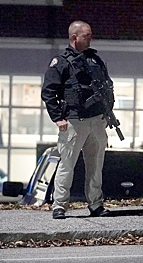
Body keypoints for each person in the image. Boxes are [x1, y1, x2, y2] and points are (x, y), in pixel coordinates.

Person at [41, 20, 114, 219]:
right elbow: (48, 92)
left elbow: (107, 86)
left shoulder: (95, 60)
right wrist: (58, 118)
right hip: (73, 121)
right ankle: (59, 205)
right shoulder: (61, 62)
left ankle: (96, 204)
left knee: (96, 165)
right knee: (67, 165)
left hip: (96, 120)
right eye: (86, 35)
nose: (90, 38)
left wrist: (108, 113)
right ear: (74, 37)